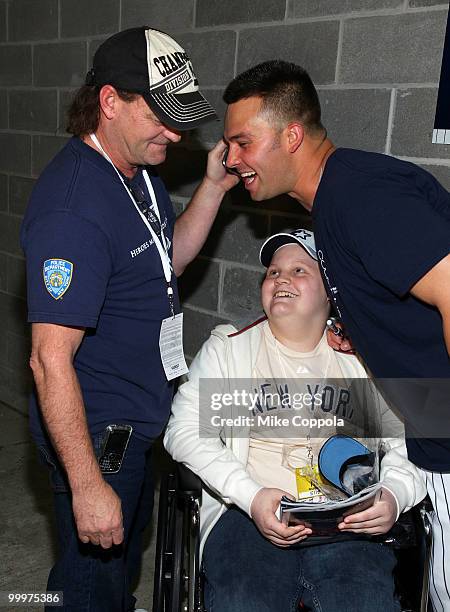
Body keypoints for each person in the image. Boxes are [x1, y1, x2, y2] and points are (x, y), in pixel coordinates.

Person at [20, 27, 237, 612]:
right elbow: (48, 359)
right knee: (91, 587)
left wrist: (213, 189)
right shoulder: (74, 210)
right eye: (162, 115)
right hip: (97, 436)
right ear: (110, 102)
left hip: (137, 422)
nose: (176, 132)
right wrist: (88, 485)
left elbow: (168, 259)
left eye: (182, 115)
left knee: (116, 572)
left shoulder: (137, 170)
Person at [221, 60, 450, 609]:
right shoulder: (338, 202)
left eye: (242, 143)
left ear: (292, 135)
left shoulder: (358, 196)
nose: (232, 161)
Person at [164, 228, 426, 612]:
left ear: (331, 291)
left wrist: (394, 493)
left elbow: (410, 440)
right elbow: (182, 431)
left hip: (346, 519)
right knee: (244, 599)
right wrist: (250, 496)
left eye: (300, 270)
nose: (281, 278)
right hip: (249, 514)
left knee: (363, 600)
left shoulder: (362, 358)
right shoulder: (230, 347)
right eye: (273, 272)